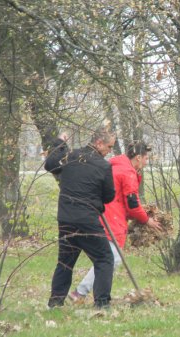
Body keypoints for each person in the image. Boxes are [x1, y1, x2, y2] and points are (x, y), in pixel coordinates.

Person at [68, 140, 162, 301]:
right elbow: (132, 204)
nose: (146, 163)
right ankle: (81, 293)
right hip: (111, 218)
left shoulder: (115, 167)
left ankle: (90, 294)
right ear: (138, 157)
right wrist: (147, 220)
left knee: (104, 260)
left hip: (100, 215)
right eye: (146, 159)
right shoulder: (127, 172)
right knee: (111, 259)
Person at [45, 127, 116, 309]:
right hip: (87, 220)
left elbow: (50, 164)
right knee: (105, 259)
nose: (109, 151)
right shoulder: (103, 166)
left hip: (66, 218)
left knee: (65, 262)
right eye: (109, 146)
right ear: (99, 142)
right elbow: (109, 196)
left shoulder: (71, 156)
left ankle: (56, 302)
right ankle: (101, 303)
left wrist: (60, 143)